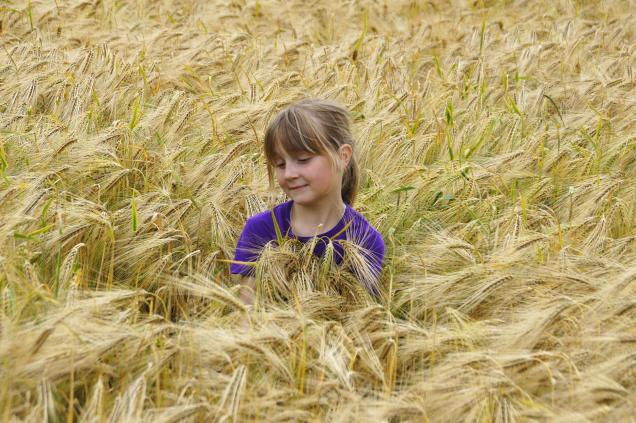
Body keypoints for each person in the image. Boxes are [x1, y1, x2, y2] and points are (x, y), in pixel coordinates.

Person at [230, 99, 385, 305]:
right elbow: (245, 318)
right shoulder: (261, 230)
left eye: (303, 160)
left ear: (343, 156)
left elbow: (361, 318)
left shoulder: (364, 241)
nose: (290, 174)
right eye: (280, 164)